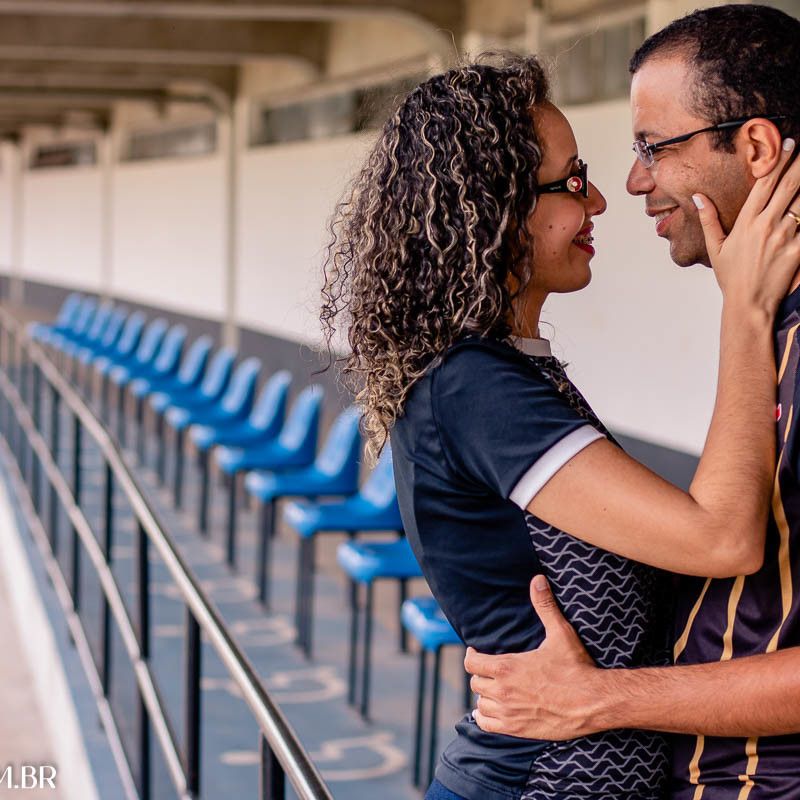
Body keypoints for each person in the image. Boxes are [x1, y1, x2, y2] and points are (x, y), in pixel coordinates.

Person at [319, 48, 800, 800]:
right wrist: (746, 309)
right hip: (531, 782)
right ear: (495, 208)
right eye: (572, 181)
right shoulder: (473, 387)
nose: (601, 200)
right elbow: (721, 538)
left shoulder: (505, 372)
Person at [464, 5, 800, 798]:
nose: (632, 182)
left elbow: (724, 542)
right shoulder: (768, 320)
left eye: (654, 147)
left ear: (755, 147)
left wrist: (599, 698)